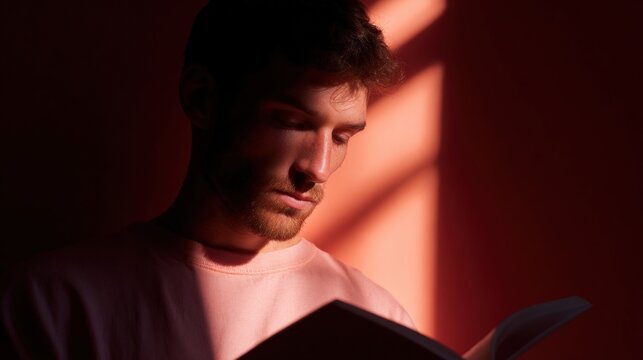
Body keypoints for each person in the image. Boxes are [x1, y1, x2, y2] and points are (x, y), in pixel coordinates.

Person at [1, 0, 415, 358]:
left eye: (342, 137)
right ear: (202, 99)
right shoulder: (53, 304)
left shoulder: (378, 321)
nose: (319, 168)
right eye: (291, 122)